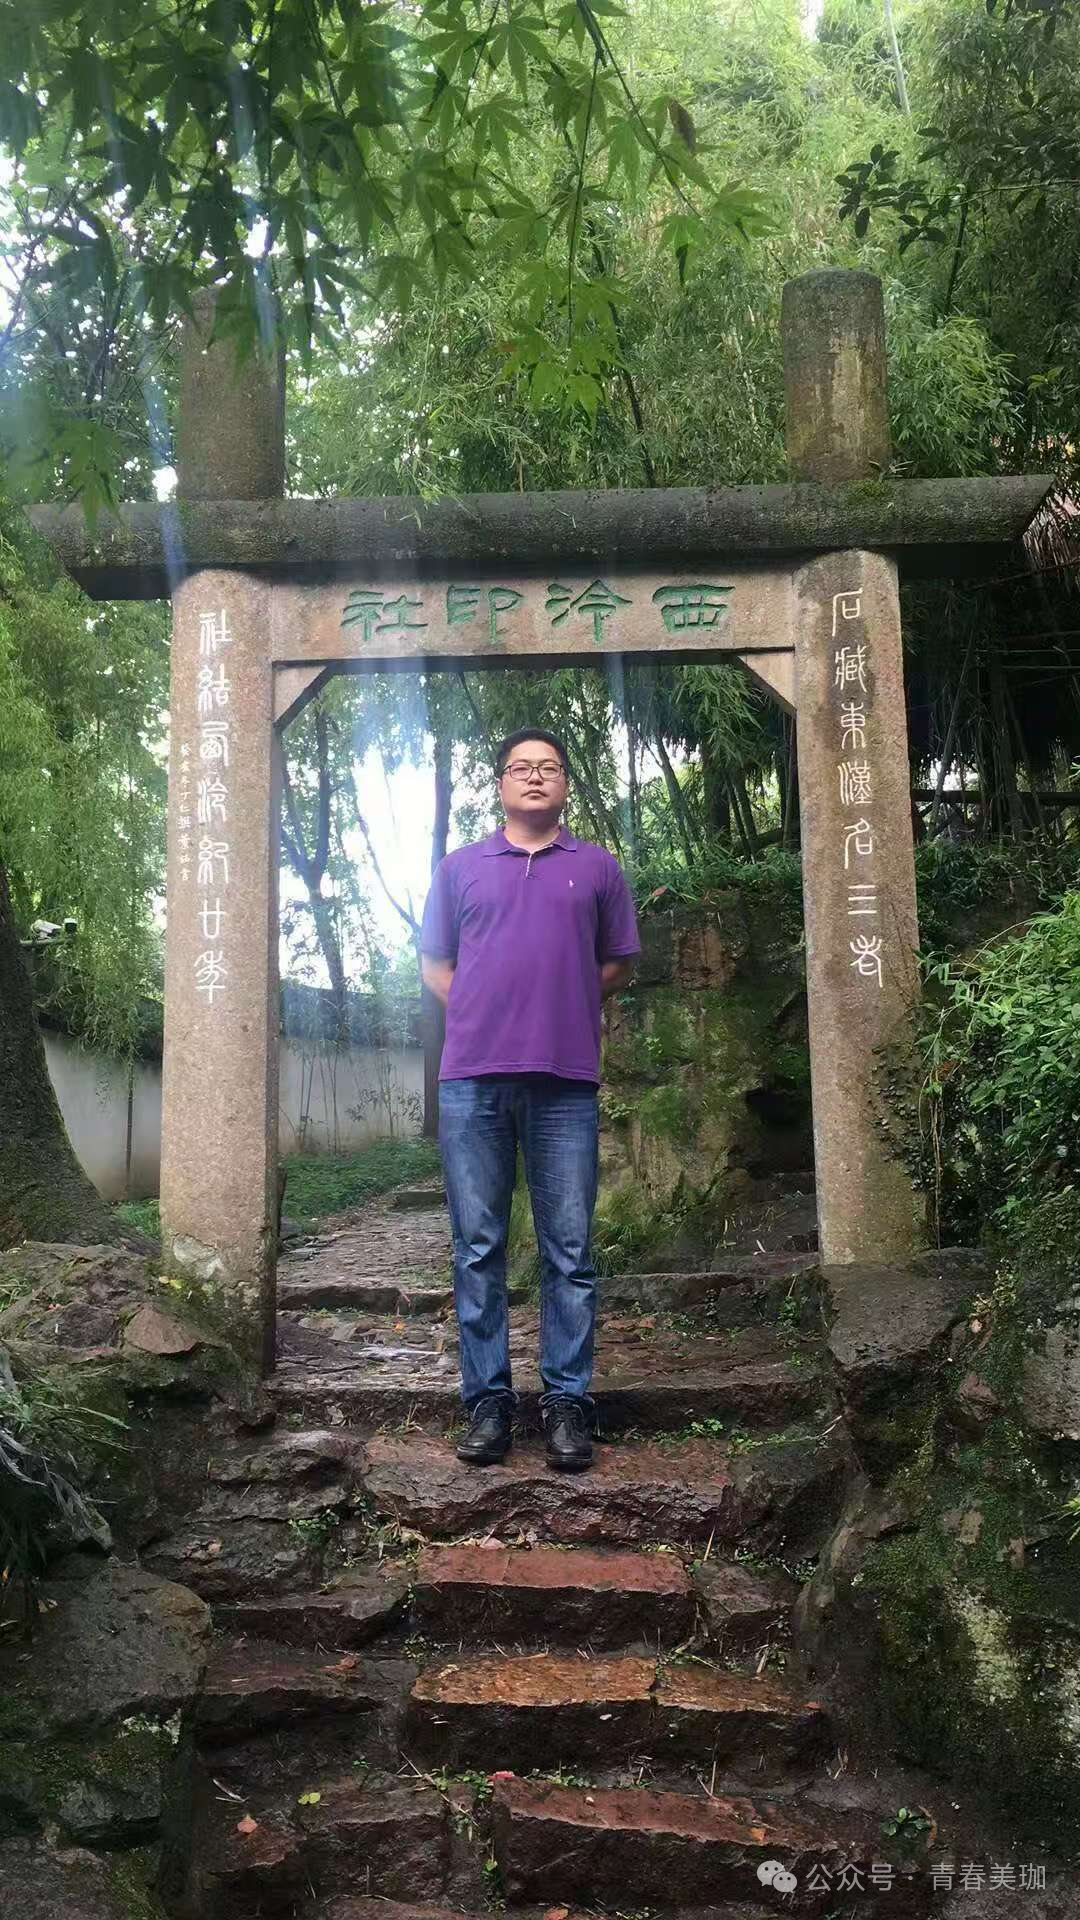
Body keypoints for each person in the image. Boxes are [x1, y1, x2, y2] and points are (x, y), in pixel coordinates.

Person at [420, 729, 640, 1472]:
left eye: (550, 767)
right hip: (472, 1081)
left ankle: (567, 1404)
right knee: (478, 1247)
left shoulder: (597, 868)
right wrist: (482, 1011)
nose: (536, 776)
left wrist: (562, 1004)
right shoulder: (459, 868)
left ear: (566, 784)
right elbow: (435, 964)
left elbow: (616, 964)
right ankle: (488, 1404)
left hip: (564, 1083)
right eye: (522, 767)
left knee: (569, 1251)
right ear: (501, 784)